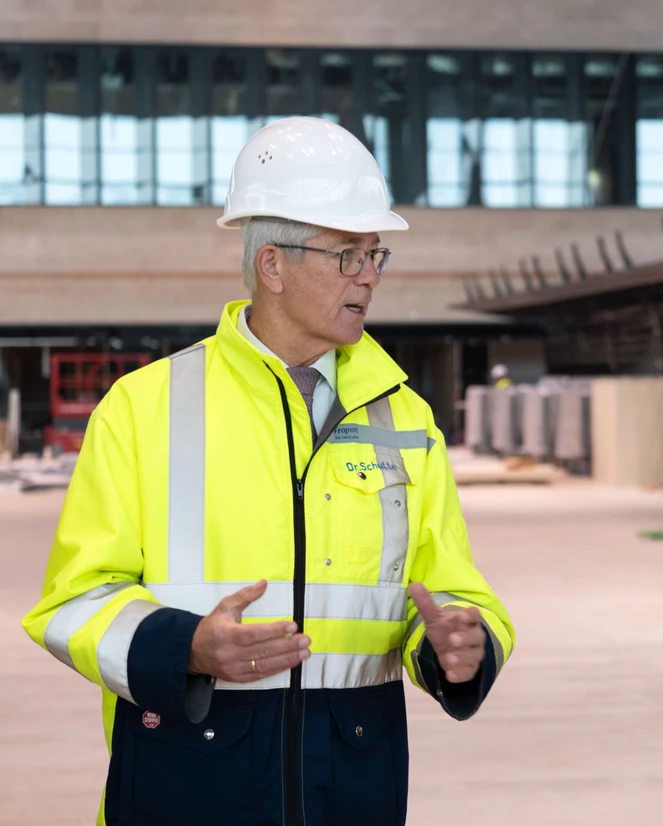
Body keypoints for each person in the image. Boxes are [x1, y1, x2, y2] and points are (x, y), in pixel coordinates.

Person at [23, 116, 514, 826]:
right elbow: (71, 604)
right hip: (185, 788)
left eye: (375, 253)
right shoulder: (144, 408)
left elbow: (452, 593)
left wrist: (464, 647)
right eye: (347, 254)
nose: (370, 274)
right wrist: (184, 645)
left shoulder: (403, 419)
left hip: (349, 792)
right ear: (272, 265)